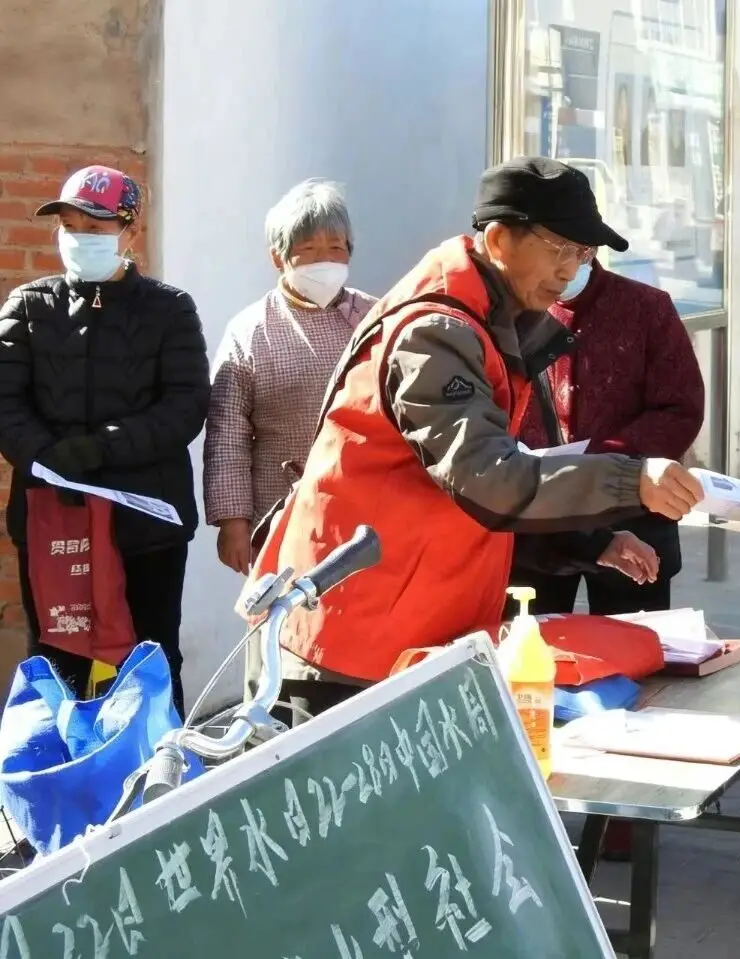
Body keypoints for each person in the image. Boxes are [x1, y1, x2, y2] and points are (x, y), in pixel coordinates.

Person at [248, 156, 704, 722]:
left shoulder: (492, 320)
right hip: (350, 636)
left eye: (583, 254)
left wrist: (588, 543)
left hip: (411, 626)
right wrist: (631, 479)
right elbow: (486, 478)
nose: (569, 269)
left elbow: (471, 492)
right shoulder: (437, 331)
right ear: (499, 238)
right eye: (559, 248)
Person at [0, 166, 210, 716]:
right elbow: (5, 402)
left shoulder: (170, 309)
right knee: (57, 654)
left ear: (129, 231)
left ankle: (160, 783)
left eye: (96, 226)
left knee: (151, 657)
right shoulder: (27, 307)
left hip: (147, 523)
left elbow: (185, 404)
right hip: (53, 518)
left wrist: (101, 450)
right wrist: (48, 460)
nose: (80, 237)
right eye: (70, 225)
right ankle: (63, 787)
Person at [510, 258, 704, 616]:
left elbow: (680, 409)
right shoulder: (516, 305)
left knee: (638, 647)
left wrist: (604, 462)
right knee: (531, 645)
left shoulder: (647, 306)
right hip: (537, 516)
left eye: (574, 249)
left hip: (635, 507)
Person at [204, 179, 378, 575]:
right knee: (285, 622)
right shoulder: (249, 331)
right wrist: (233, 522)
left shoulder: (376, 317)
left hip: (366, 510)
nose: (324, 259)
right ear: (278, 257)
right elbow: (227, 436)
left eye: (335, 247)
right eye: (308, 249)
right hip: (280, 514)